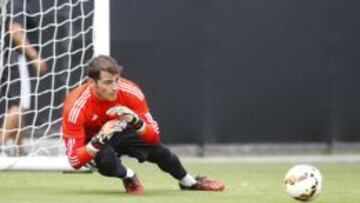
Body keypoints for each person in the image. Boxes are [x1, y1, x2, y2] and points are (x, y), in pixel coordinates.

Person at [62, 55, 225, 194]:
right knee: (106, 160)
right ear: (92, 82)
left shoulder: (130, 91)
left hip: (121, 128)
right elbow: (75, 161)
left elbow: (154, 138)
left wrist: (135, 120)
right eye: (108, 82)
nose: (115, 88)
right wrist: (100, 138)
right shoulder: (75, 106)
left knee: (159, 151)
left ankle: (189, 182)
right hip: (94, 141)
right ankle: (129, 176)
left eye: (117, 80)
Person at [0, 0, 48, 156]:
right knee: (20, 105)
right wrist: (35, 57)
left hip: (9, 60)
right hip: (16, 60)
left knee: (17, 105)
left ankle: (19, 148)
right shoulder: (17, 5)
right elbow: (15, 31)